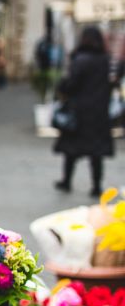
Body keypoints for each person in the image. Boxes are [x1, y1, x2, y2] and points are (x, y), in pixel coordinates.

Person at [54, 26, 114, 197]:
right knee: (96, 153)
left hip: (79, 111)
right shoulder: (105, 60)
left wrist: (62, 85)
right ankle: (96, 186)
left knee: (71, 150)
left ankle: (66, 181)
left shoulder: (80, 59)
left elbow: (71, 85)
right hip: (99, 112)